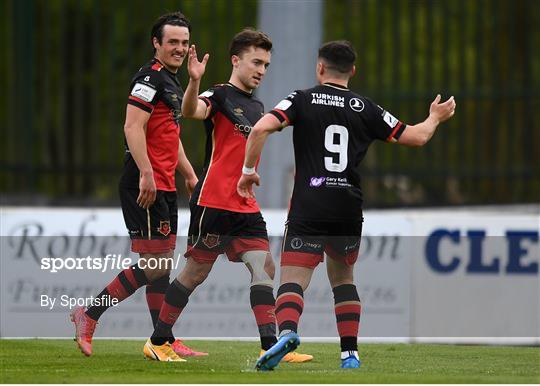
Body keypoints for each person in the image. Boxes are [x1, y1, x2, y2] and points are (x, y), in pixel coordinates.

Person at [237, 40, 456, 371]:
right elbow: (416, 137)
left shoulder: (302, 98)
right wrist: (434, 117)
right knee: (344, 279)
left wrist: (248, 172)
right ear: (352, 70)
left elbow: (261, 128)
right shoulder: (365, 108)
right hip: (347, 207)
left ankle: (287, 333)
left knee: (293, 278)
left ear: (320, 67)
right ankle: (350, 354)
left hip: (310, 202)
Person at [142, 28, 312, 363]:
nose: (261, 70)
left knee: (263, 265)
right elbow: (192, 112)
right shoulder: (218, 95)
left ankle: (270, 345)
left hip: (245, 204)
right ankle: (158, 341)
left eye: (265, 64)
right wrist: (193, 81)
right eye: (256, 62)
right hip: (214, 202)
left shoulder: (258, 105)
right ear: (236, 60)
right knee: (195, 273)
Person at [70, 11, 206, 358]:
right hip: (144, 183)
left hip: (163, 183)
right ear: (156, 43)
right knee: (157, 265)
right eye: (172, 41)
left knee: (160, 265)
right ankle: (89, 313)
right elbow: (133, 127)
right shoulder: (149, 77)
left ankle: (162, 340)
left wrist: (189, 173)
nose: (179, 48)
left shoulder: (172, 82)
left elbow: (168, 136)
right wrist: (146, 171)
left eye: (184, 42)